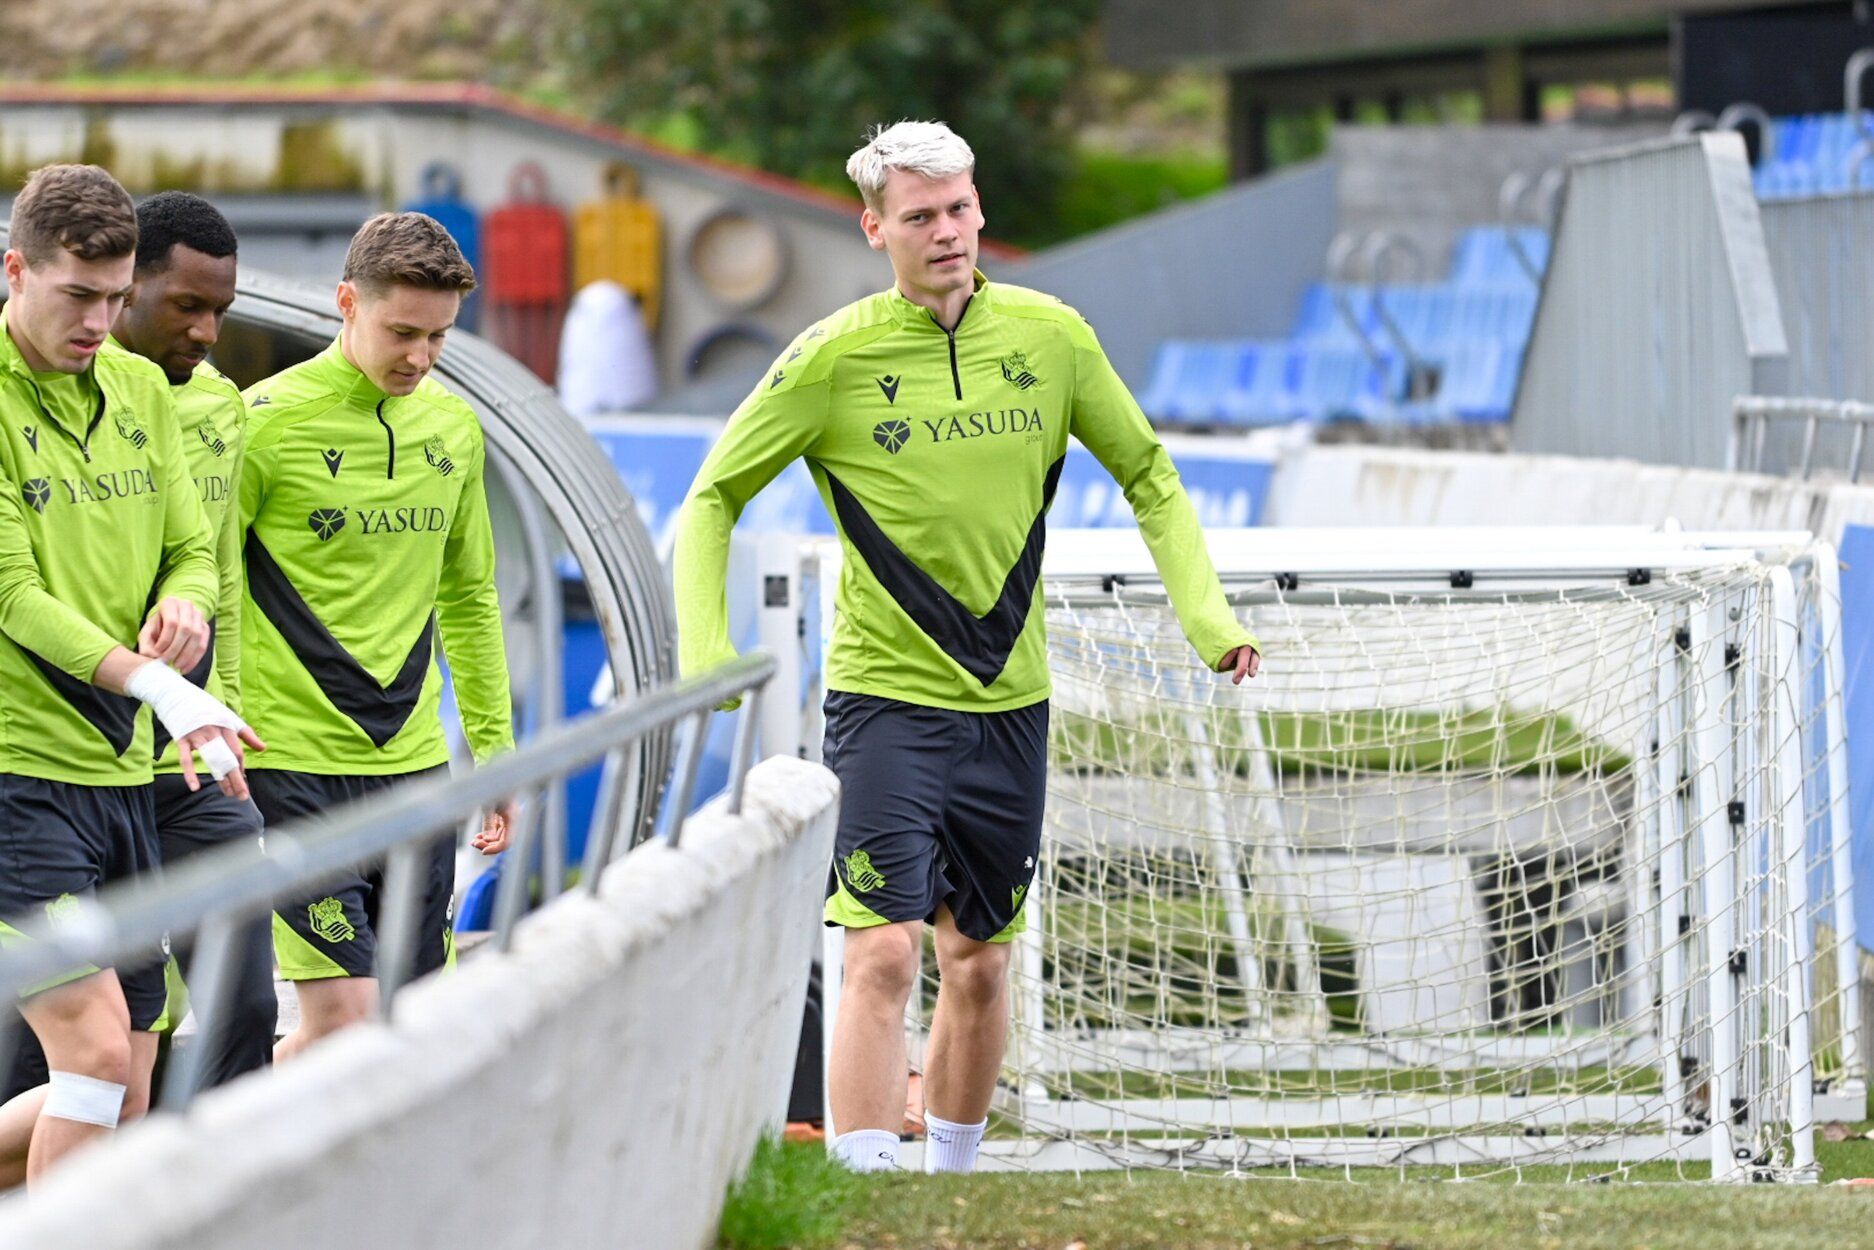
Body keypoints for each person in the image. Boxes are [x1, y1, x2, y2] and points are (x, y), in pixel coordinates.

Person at [673, 121, 1262, 1174]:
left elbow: (1151, 474)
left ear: (978, 208)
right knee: (885, 947)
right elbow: (712, 494)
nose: (945, 233)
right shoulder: (829, 357)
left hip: (1010, 706)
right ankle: (864, 1189)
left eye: (958, 209)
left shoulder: (1052, 337)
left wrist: (1207, 619)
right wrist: (705, 645)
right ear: (873, 228)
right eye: (918, 216)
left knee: (980, 964)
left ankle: (948, 1188)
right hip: (883, 702)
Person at [0, 164, 259, 1185]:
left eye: (115, 298)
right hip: (18, 776)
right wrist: (163, 686)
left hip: (124, 783)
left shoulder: (144, 387)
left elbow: (192, 547)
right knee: (96, 1058)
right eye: (78, 295)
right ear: (15, 270)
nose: (101, 321)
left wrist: (187, 601)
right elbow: (13, 596)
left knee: (124, 1084)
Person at [238, 212, 516, 1061]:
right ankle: (227, 1173)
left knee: (410, 1024)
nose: (419, 357)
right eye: (401, 332)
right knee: (343, 1024)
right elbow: (203, 587)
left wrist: (496, 754)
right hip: (291, 770)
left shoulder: (454, 430)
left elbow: (470, 598)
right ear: (345, 302)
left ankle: (249, 1149)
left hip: (416, 774)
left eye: (438, 337)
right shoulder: (262, 424)